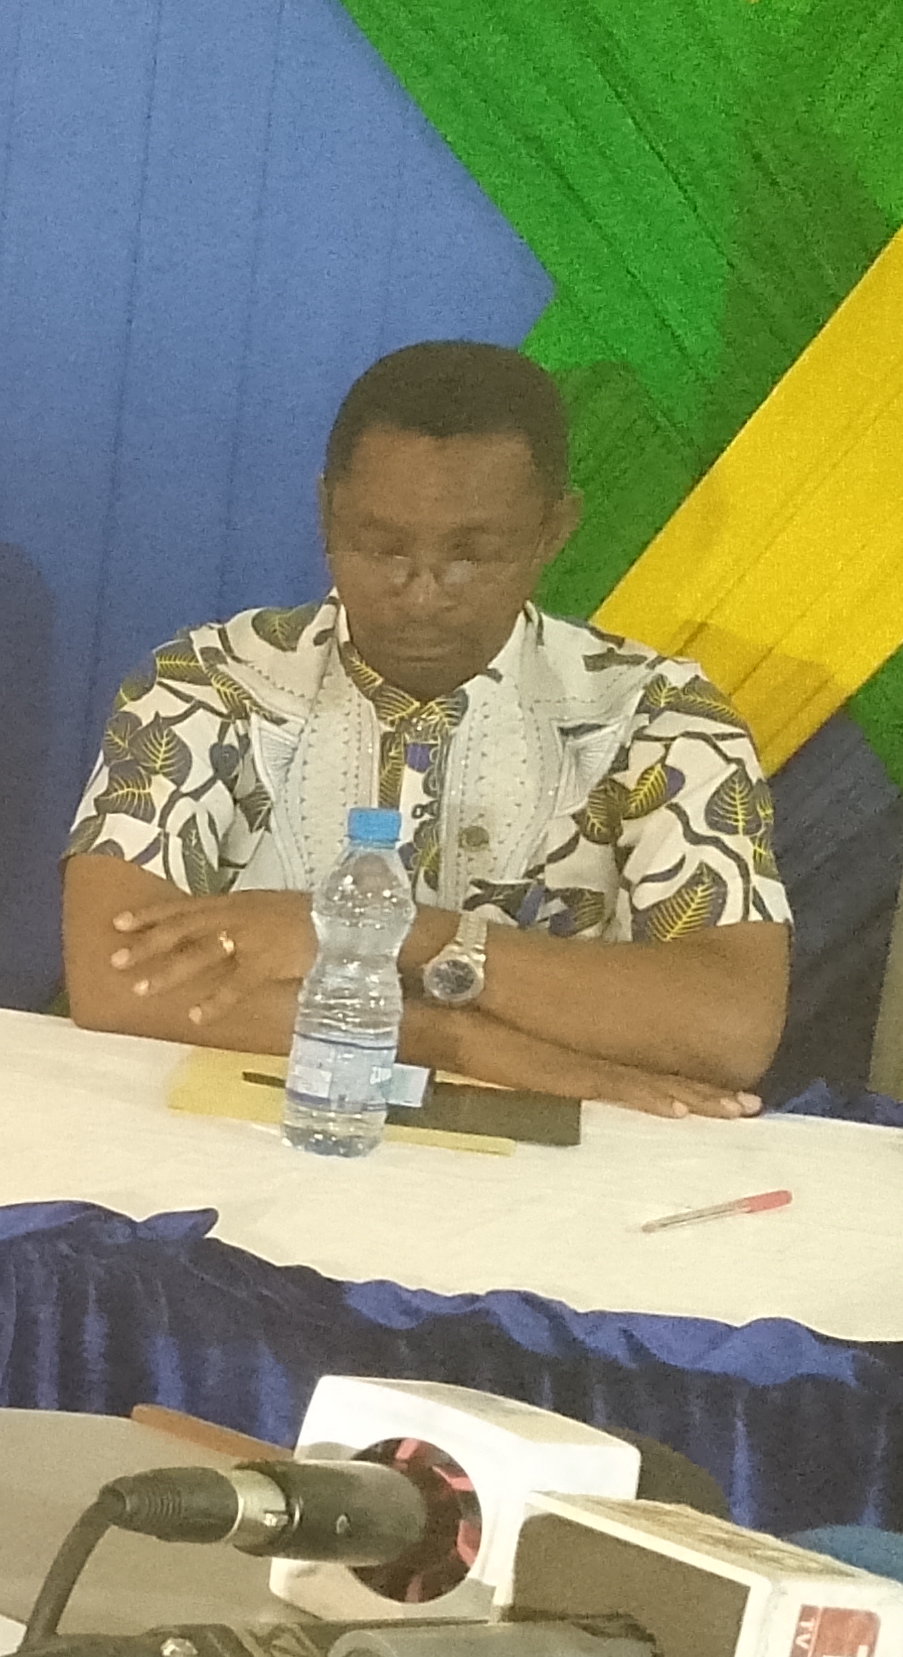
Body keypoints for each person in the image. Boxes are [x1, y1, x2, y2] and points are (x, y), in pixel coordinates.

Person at [64, 339, 787, 1114]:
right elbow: (115, 979)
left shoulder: (657, 717)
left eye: (473, 555)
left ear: (553, 531)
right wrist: (460, 1043)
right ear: (327, 514)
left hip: (554, 1173)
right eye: (382, 547)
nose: (421, 593)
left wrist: (395, 935)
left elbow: (730, 1026)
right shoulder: (207, 685)